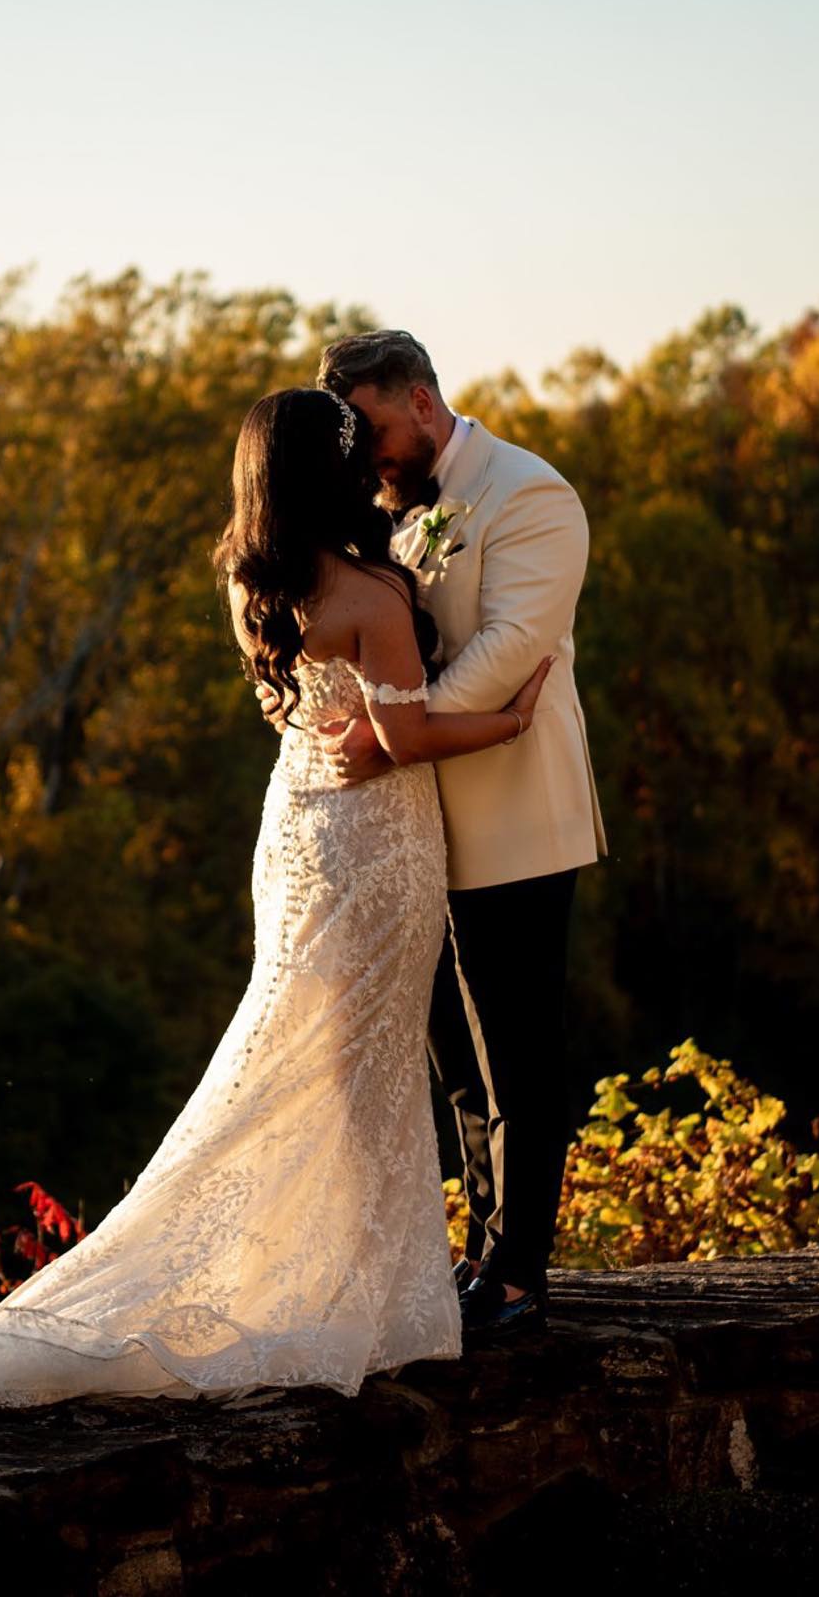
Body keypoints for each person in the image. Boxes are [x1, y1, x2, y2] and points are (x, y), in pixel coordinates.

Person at [0, 385, 552, 1452]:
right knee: (362, 1063)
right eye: (350, 449)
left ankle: (360, 1279)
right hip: (376, 843)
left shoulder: (251, 575)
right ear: (323, 470)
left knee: (313, 1055)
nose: (368, 462)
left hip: (298, 832)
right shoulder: (368, 589)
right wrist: (510, 718)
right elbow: (401, 745)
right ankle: (375, 1293)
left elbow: (315, 716)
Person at [259, 331, 607, 1340]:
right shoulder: (381, 509)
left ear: (419, 400)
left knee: (519, 1054)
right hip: (413, 833)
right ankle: (481, 1244)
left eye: (367, 427)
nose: (361, 453)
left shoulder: (530, 493)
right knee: (457, 1060)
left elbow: (510, 651)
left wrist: (390, 738)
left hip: (511, 818)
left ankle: (519, 1273)